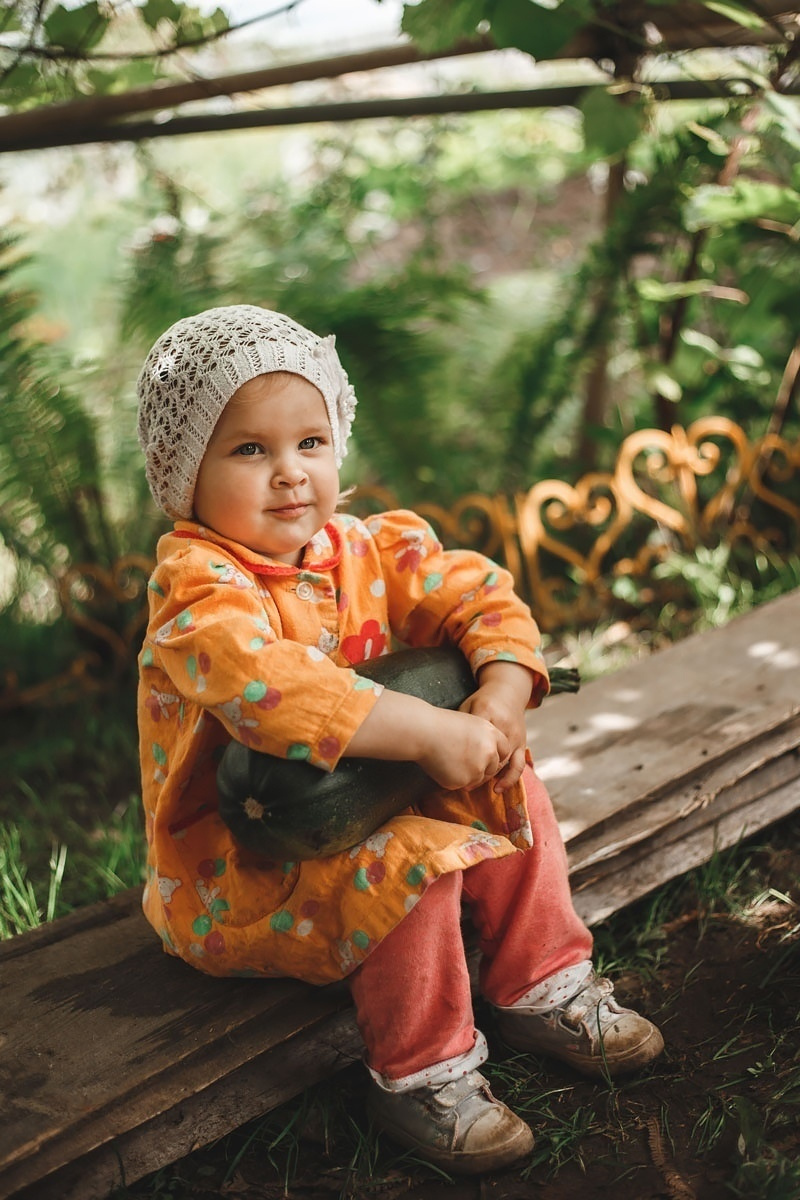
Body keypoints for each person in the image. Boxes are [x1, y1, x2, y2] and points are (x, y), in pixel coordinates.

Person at [136, 304, 664, 1176]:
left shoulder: (368, 548)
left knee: (510, 780)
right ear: (185, 476)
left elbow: (477, 594)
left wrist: (501, 693)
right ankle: (423, 1074)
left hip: (371, 803)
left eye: (310, 442)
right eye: (250, 450)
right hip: (252, 860)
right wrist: (426, 731)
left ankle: (542, 983)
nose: (290, 473)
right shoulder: (197, 589)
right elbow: (263, 681)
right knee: (409, 865)